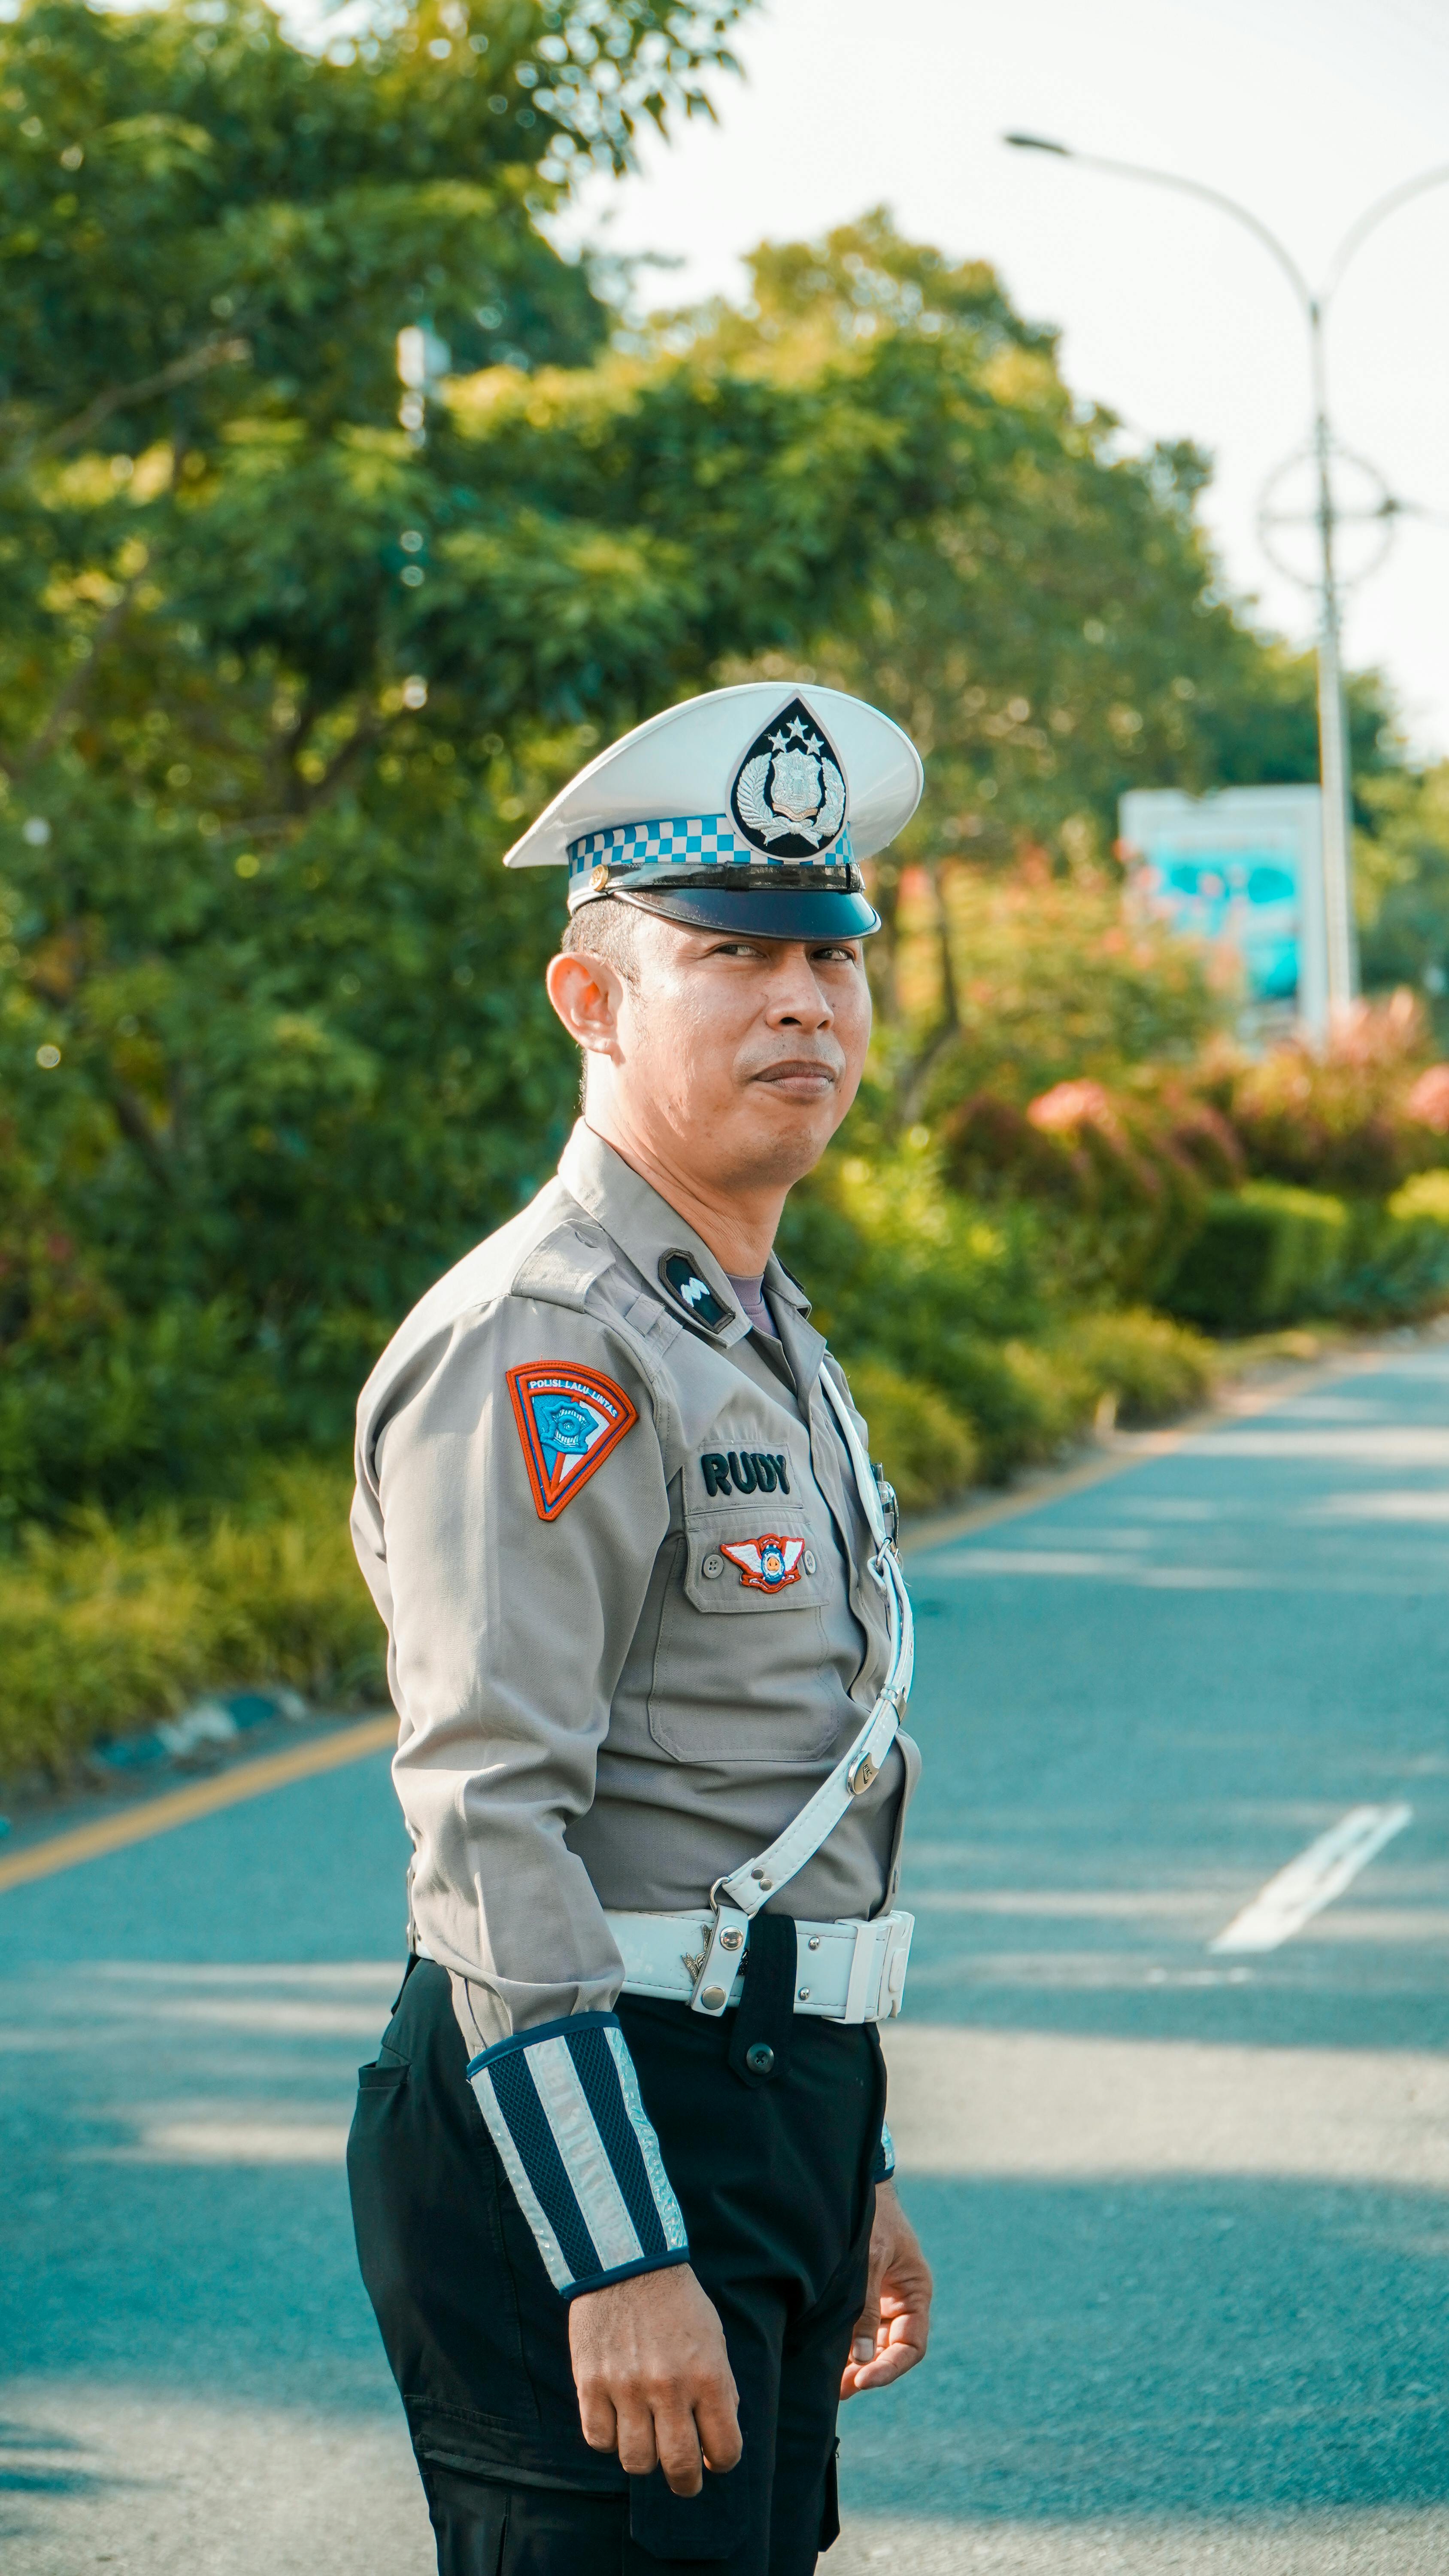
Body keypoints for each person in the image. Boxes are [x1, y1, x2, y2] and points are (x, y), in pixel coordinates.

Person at [347, 681, 934, 2576]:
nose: (803, 1005)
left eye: (831, 958)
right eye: (734, 956)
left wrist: (855, 2174)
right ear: (589, 1002)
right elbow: (491, 1815)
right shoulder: (552, 1334)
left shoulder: (737, 1314)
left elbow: (766, 1800)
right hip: (593, 2124)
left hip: (757, 2107)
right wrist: (616, 2250)